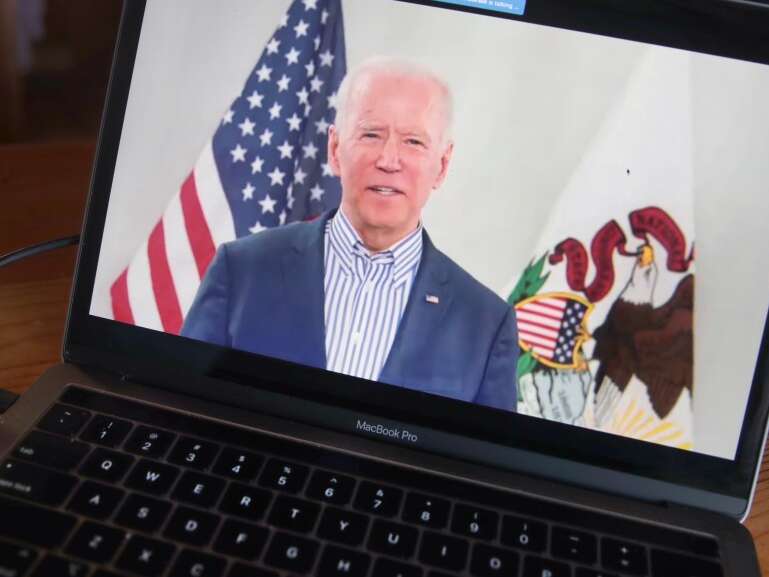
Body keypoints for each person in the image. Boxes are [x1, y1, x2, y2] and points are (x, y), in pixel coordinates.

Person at [181, 57, 519, 411]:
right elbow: (181, 402)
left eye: (414, 142)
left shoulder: (485, 325)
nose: (389, 160)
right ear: (334, 149)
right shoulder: (242, 269)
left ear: (443, 165)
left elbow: (478, 447)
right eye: (371, 134)